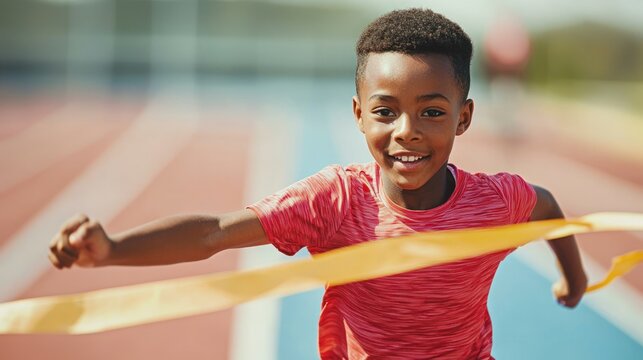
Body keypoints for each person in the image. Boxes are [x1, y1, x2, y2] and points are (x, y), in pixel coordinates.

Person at [48, 8, 587, 359]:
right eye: (385, 111)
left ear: (463, 118)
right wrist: (113, 248)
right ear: (358, 114)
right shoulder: (334, 200)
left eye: (431, 112)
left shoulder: (493, 200)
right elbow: (213, 232)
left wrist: (575, 275)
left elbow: (547, 208)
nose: (406, 132)